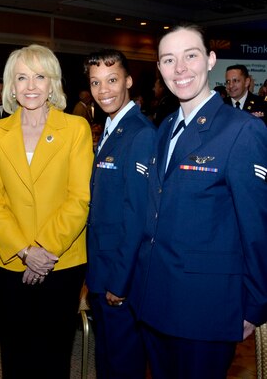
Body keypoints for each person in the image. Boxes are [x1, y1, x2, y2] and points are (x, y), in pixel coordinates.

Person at [130, 24, 267, 379]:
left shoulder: (242, 130)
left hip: (205, 304)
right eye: (169, 60)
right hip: (155, 297)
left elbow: (257, 226)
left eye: (190, 56)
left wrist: (254, 305)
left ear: (210, 60)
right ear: (159, 69)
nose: (180, 69)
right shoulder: (166, 127)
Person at [0, 44, 93, 379]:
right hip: (9, 259)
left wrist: (44, 250)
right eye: (21, 77)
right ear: (11, 86)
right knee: (15, 353)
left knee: (55, 354)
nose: (30, 85)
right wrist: (26, 251)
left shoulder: (75, 129)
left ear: (52, 83)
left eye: (39, 76)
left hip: (62, 261)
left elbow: (78, 198)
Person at [84, 49, 156, 379]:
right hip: (103, 266)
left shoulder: (139, 133)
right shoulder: (112, 127)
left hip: (118, 274)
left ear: (127, 81)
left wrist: (119, 281)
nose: (104, 90)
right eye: (96, 83)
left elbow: (137, 215)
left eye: (112, 80)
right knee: (108, 354)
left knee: (123, 361)